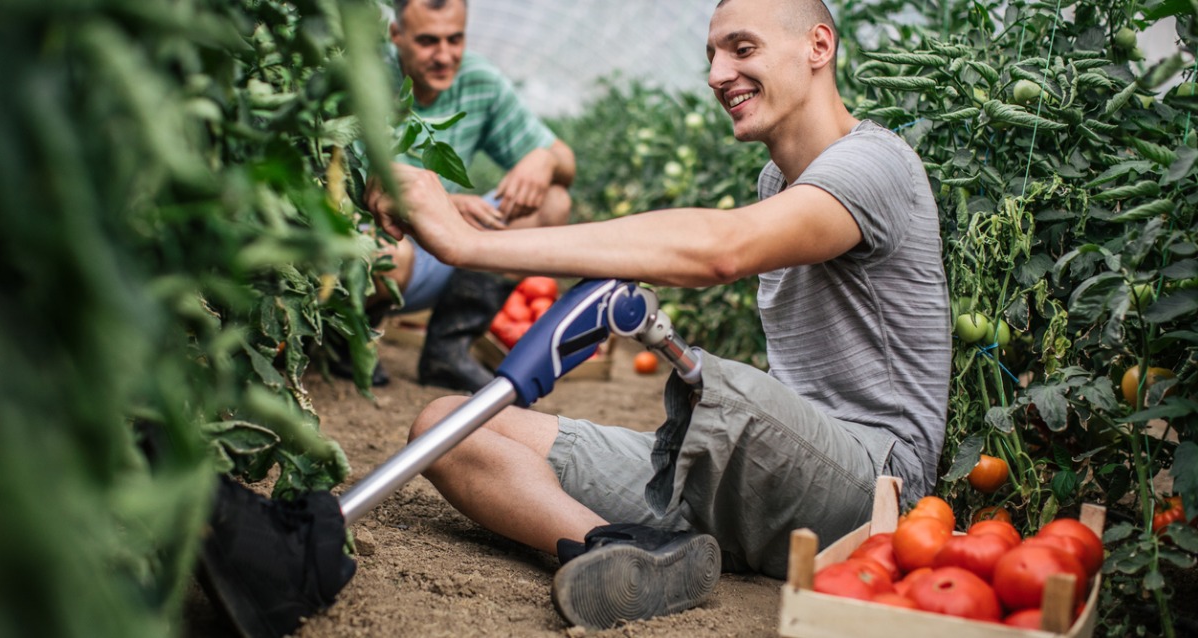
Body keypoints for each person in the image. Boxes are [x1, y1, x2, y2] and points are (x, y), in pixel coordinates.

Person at [367, 0, 950, 629]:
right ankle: (632, 556)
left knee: (725, 387)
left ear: (818, 46)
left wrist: (464, 242)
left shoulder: (876, 163)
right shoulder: (773, 183)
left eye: (742, 49)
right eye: (712, 56)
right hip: (779, 476)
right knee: (445, 425)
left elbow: (723, 249)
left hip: (875, 485)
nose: (716, 74)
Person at [345, 0, 576, 390]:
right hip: (383, 249)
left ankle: (447, 350)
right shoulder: (362, 76)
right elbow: (342, 180)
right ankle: (346, 338)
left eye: (455, 39)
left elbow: (565, 160)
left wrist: (544, 160)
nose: (445, 55)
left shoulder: (477, 80)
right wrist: (443, 203)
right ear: (395, 35)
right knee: (387, 254)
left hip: (443, 252)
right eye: (427, 42)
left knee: (553, 200)